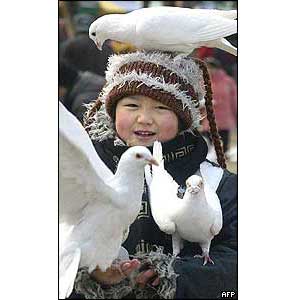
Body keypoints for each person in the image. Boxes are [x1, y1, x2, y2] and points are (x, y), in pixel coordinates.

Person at [68, 51, 237, 299]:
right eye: (132, 105)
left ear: (183, 118)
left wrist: (175, 276)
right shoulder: (80, 178)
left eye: (161, 107)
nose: (144, 118)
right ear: (112, 111)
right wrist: (90, 275)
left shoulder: (218, 184)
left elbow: (238, 261)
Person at [200, 57, 237, 154]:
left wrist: (234, 113)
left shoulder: (228, 81)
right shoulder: (202, 81)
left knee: (224, 143)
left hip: (224, 117)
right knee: (209, 142)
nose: (209, 70)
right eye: (207, 68)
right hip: (209, 118)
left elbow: (234, 99)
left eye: (210, 67)